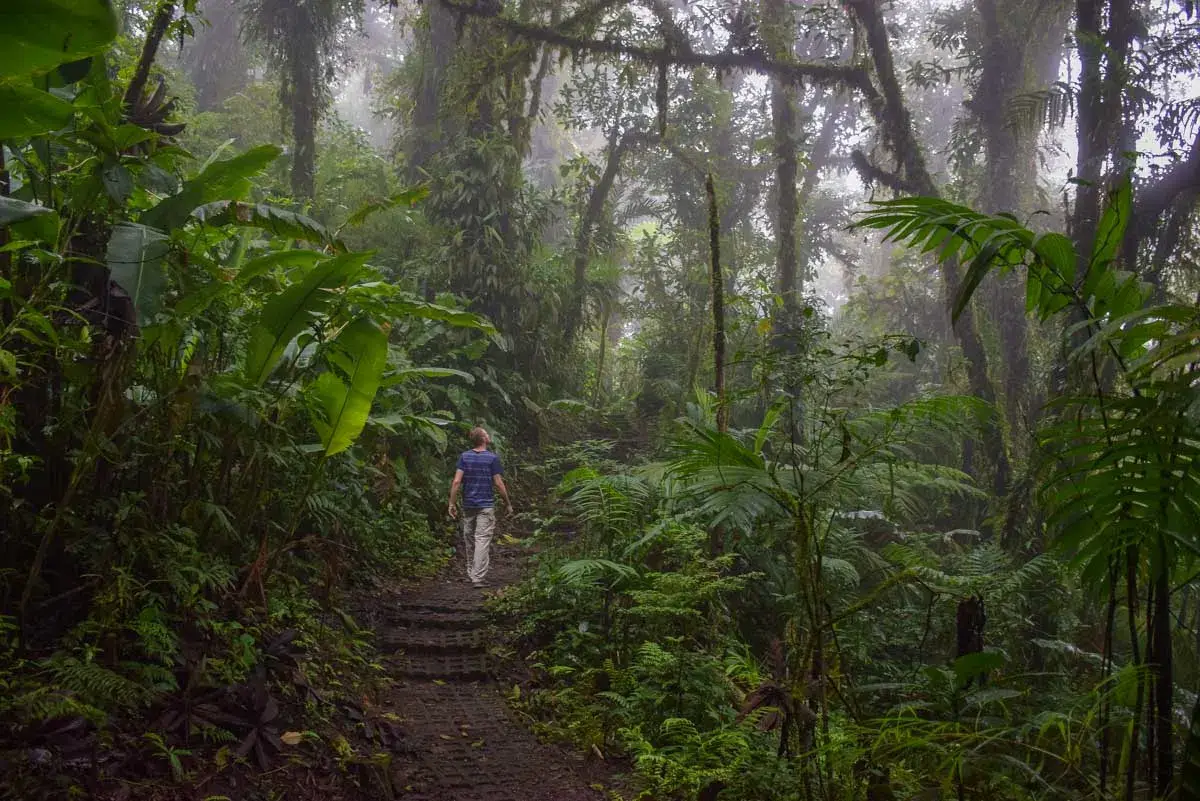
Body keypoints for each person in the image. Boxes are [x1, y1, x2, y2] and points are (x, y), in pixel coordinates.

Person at [447, 426, 512, 587]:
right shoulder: (492, 458)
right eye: (487, 434)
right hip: (486, 505)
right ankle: (478, 577)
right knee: (482, 540)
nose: (489, 435)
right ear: (483, 439)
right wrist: (507, 503)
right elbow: (498, 483)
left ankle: (472, 572)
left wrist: (452, 503)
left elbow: (456, 481)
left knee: (469, 539)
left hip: (468, 504)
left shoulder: (465, 457)